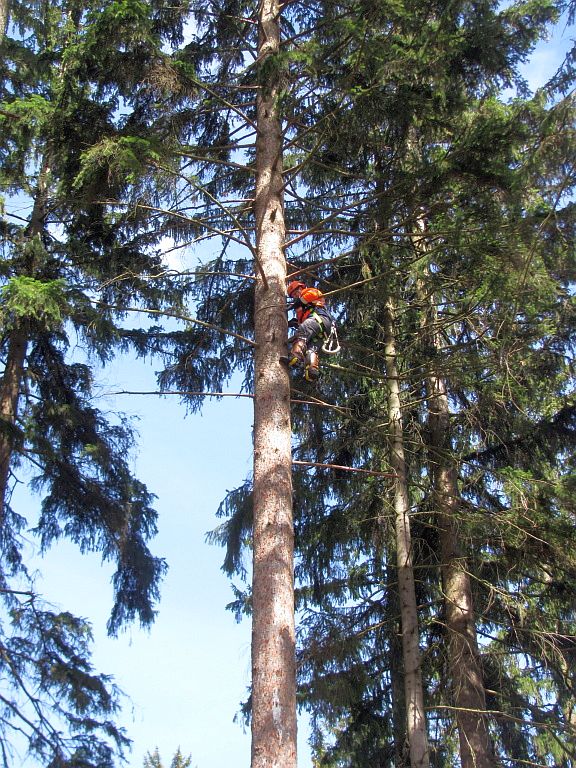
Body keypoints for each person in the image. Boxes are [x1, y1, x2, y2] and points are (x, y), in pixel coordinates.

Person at [286, 280, 334, 380]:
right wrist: (295, 322)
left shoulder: (308, 292)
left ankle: (295, 356)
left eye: (296, 292)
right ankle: (312, 371)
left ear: (300, 288)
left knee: (301, 333)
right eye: (293, 295)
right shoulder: (301, 308)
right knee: (311, 349)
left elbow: (314, 294)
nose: (295, 296)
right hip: (322, 328)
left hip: (319, 318)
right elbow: (302, 320)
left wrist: (300, 301)